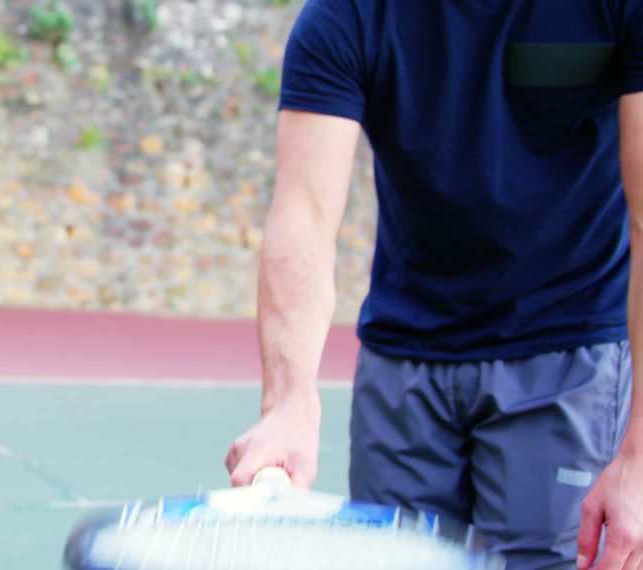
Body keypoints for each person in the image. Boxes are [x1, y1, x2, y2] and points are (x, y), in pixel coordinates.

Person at [223, 1, 643, 568]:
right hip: (404, 359)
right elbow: (304, 211)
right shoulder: (345, 15)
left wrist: (639, 456)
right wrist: (288, 400)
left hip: (569, 349)